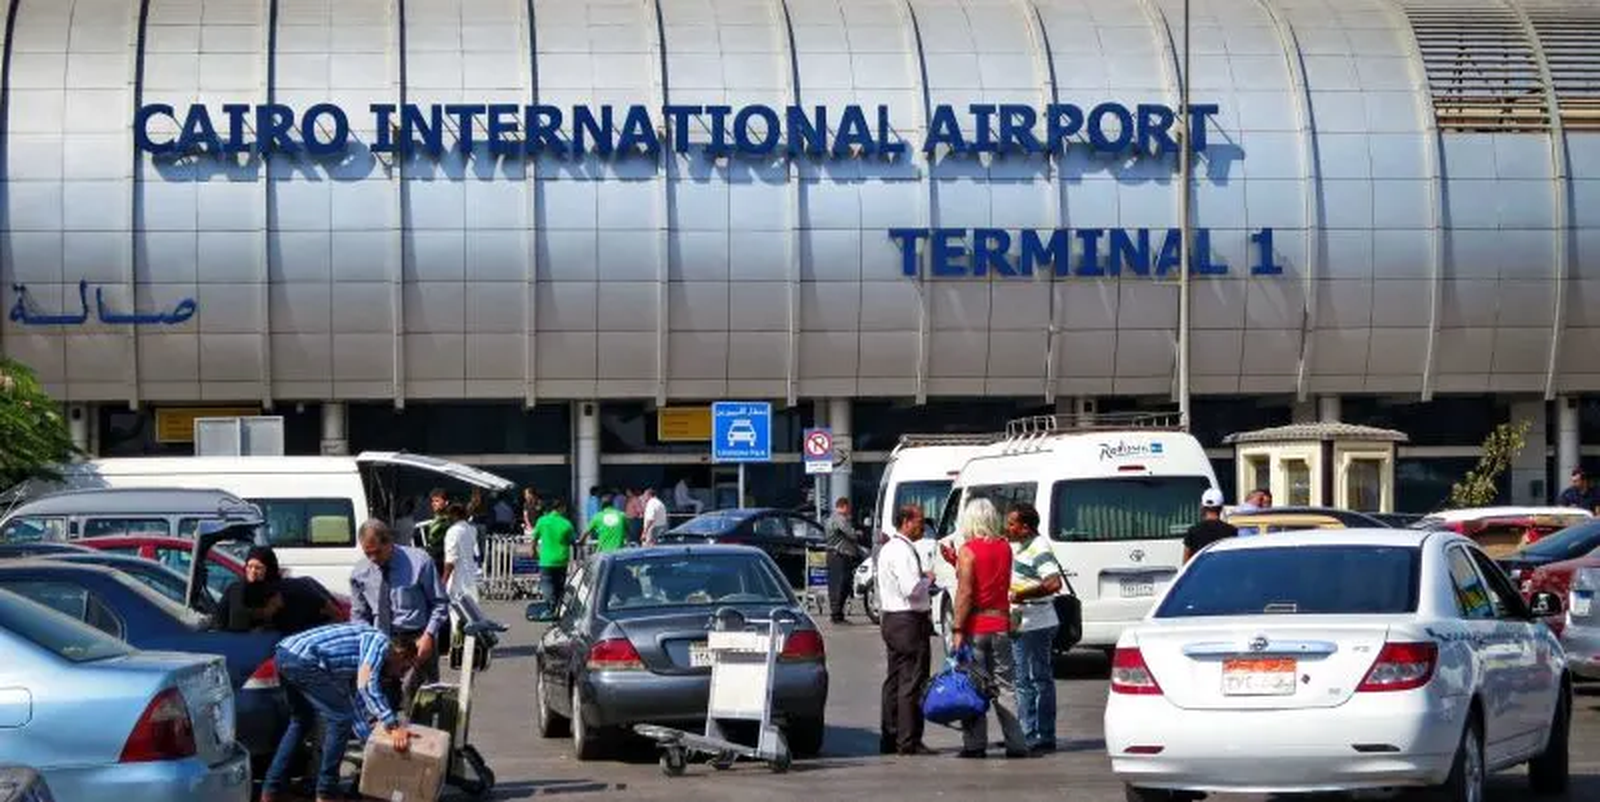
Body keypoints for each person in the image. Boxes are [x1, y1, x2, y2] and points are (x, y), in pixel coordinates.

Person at [259, 622, 418, 802]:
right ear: (400, 654)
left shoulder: (356, 658)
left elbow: (354, 704)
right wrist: (392, 725)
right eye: (404, 668)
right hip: (303, 658)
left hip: (286, 653)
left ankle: (272, 790)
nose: (400, 675)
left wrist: (371, 741)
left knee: (303, 720)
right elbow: (366, 685)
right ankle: (326, 792)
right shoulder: (379, 642)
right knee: (339, 719)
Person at [949, 497, 1028, 759]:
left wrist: (958, 629)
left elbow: (966, 593)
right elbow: (993, 580)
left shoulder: (968, 550)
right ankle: (1016, 742)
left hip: (977, 626)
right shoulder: (1005, 547)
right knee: (1005, 687)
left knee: (974, 686)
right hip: (1001, 623)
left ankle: (974, 744)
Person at [349, 519, 448, 712]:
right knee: (383, 701)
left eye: (377, 552)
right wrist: (367, 642)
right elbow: (359, 614)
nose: (373, 558)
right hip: (383, 640)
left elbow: (440, 604)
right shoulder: (360, 573)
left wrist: (429, 635)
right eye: (367, 553)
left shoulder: (419, 562)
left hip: (417, 639)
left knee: (419, 699)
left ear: (389, 542)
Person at [1005, 502, 1063, 754]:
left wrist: (1022, 594)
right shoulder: (1022, 547)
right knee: (1031, 678)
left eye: (1011, 523)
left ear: (1025, 527)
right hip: (1025, 619)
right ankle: (1034, 733)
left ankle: (1032, 735)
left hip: (1034, 621)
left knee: (1030, 680)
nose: (1007, 528)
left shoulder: (1039, 547)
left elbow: (1053, 583)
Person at [877, 504, 935, 756]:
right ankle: (908, 740)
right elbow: (910, 588)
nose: (923, 526)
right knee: (912, 680)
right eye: (920, 521)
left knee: (895, 680)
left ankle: (891, 736)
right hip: (907, 620)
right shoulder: (901, 551)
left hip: (891, 618)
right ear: (906, 522)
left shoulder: (889, 548)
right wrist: (928, 580)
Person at [217, 546, 340, 635]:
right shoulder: (237, 589)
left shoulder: (288, 588)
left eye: (258, 568)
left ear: (269, 569)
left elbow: (329, 609)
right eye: (250, 566)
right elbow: (229, 621)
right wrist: (265, 612)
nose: (253, 571)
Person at [825, 497, 865, 624]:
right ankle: (836, 615)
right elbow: (851, 534)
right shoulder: (839, 519)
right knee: (840, 585)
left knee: (838, 585)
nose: (849, 511)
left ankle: (837, 614)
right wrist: (858, 533)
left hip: (835, 555)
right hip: (839, 556)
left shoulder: (832, 518)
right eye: (848, 508)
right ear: (844, 506)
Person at [534, 498, 576, 607]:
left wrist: (533, 550)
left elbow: (534, 539)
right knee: (559, 585)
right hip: (561, 559)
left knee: (547, 583)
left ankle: (550, 605)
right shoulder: (566, 523)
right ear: (561, 508)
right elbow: (572, 541)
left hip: (546, 560)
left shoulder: (542, 521)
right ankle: (558, 606)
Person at [1183, 489, 1238, 563]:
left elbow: (1186, 562)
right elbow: (1234, 558)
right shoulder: (1232, 530)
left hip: (1202, 573)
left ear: (1202, 507)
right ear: (1221, 508)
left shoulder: (1193, 531)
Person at [440, 502, 480, 602]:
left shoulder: (453, 531)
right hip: (471, 576)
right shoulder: (472, 529)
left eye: (449, 515)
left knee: (455, 612)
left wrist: (443, 582)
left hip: (457, 580)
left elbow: (450, 560)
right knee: (471, 612)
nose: (448, 519)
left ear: (454, 515)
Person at [415, 488, 451, 569]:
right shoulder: (436, 519)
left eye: (437, 501)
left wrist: (425, 551)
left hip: (442, 560)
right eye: (432, 501)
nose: (433, 504)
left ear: (446, 503)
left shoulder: (447, 521)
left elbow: (442, 544)